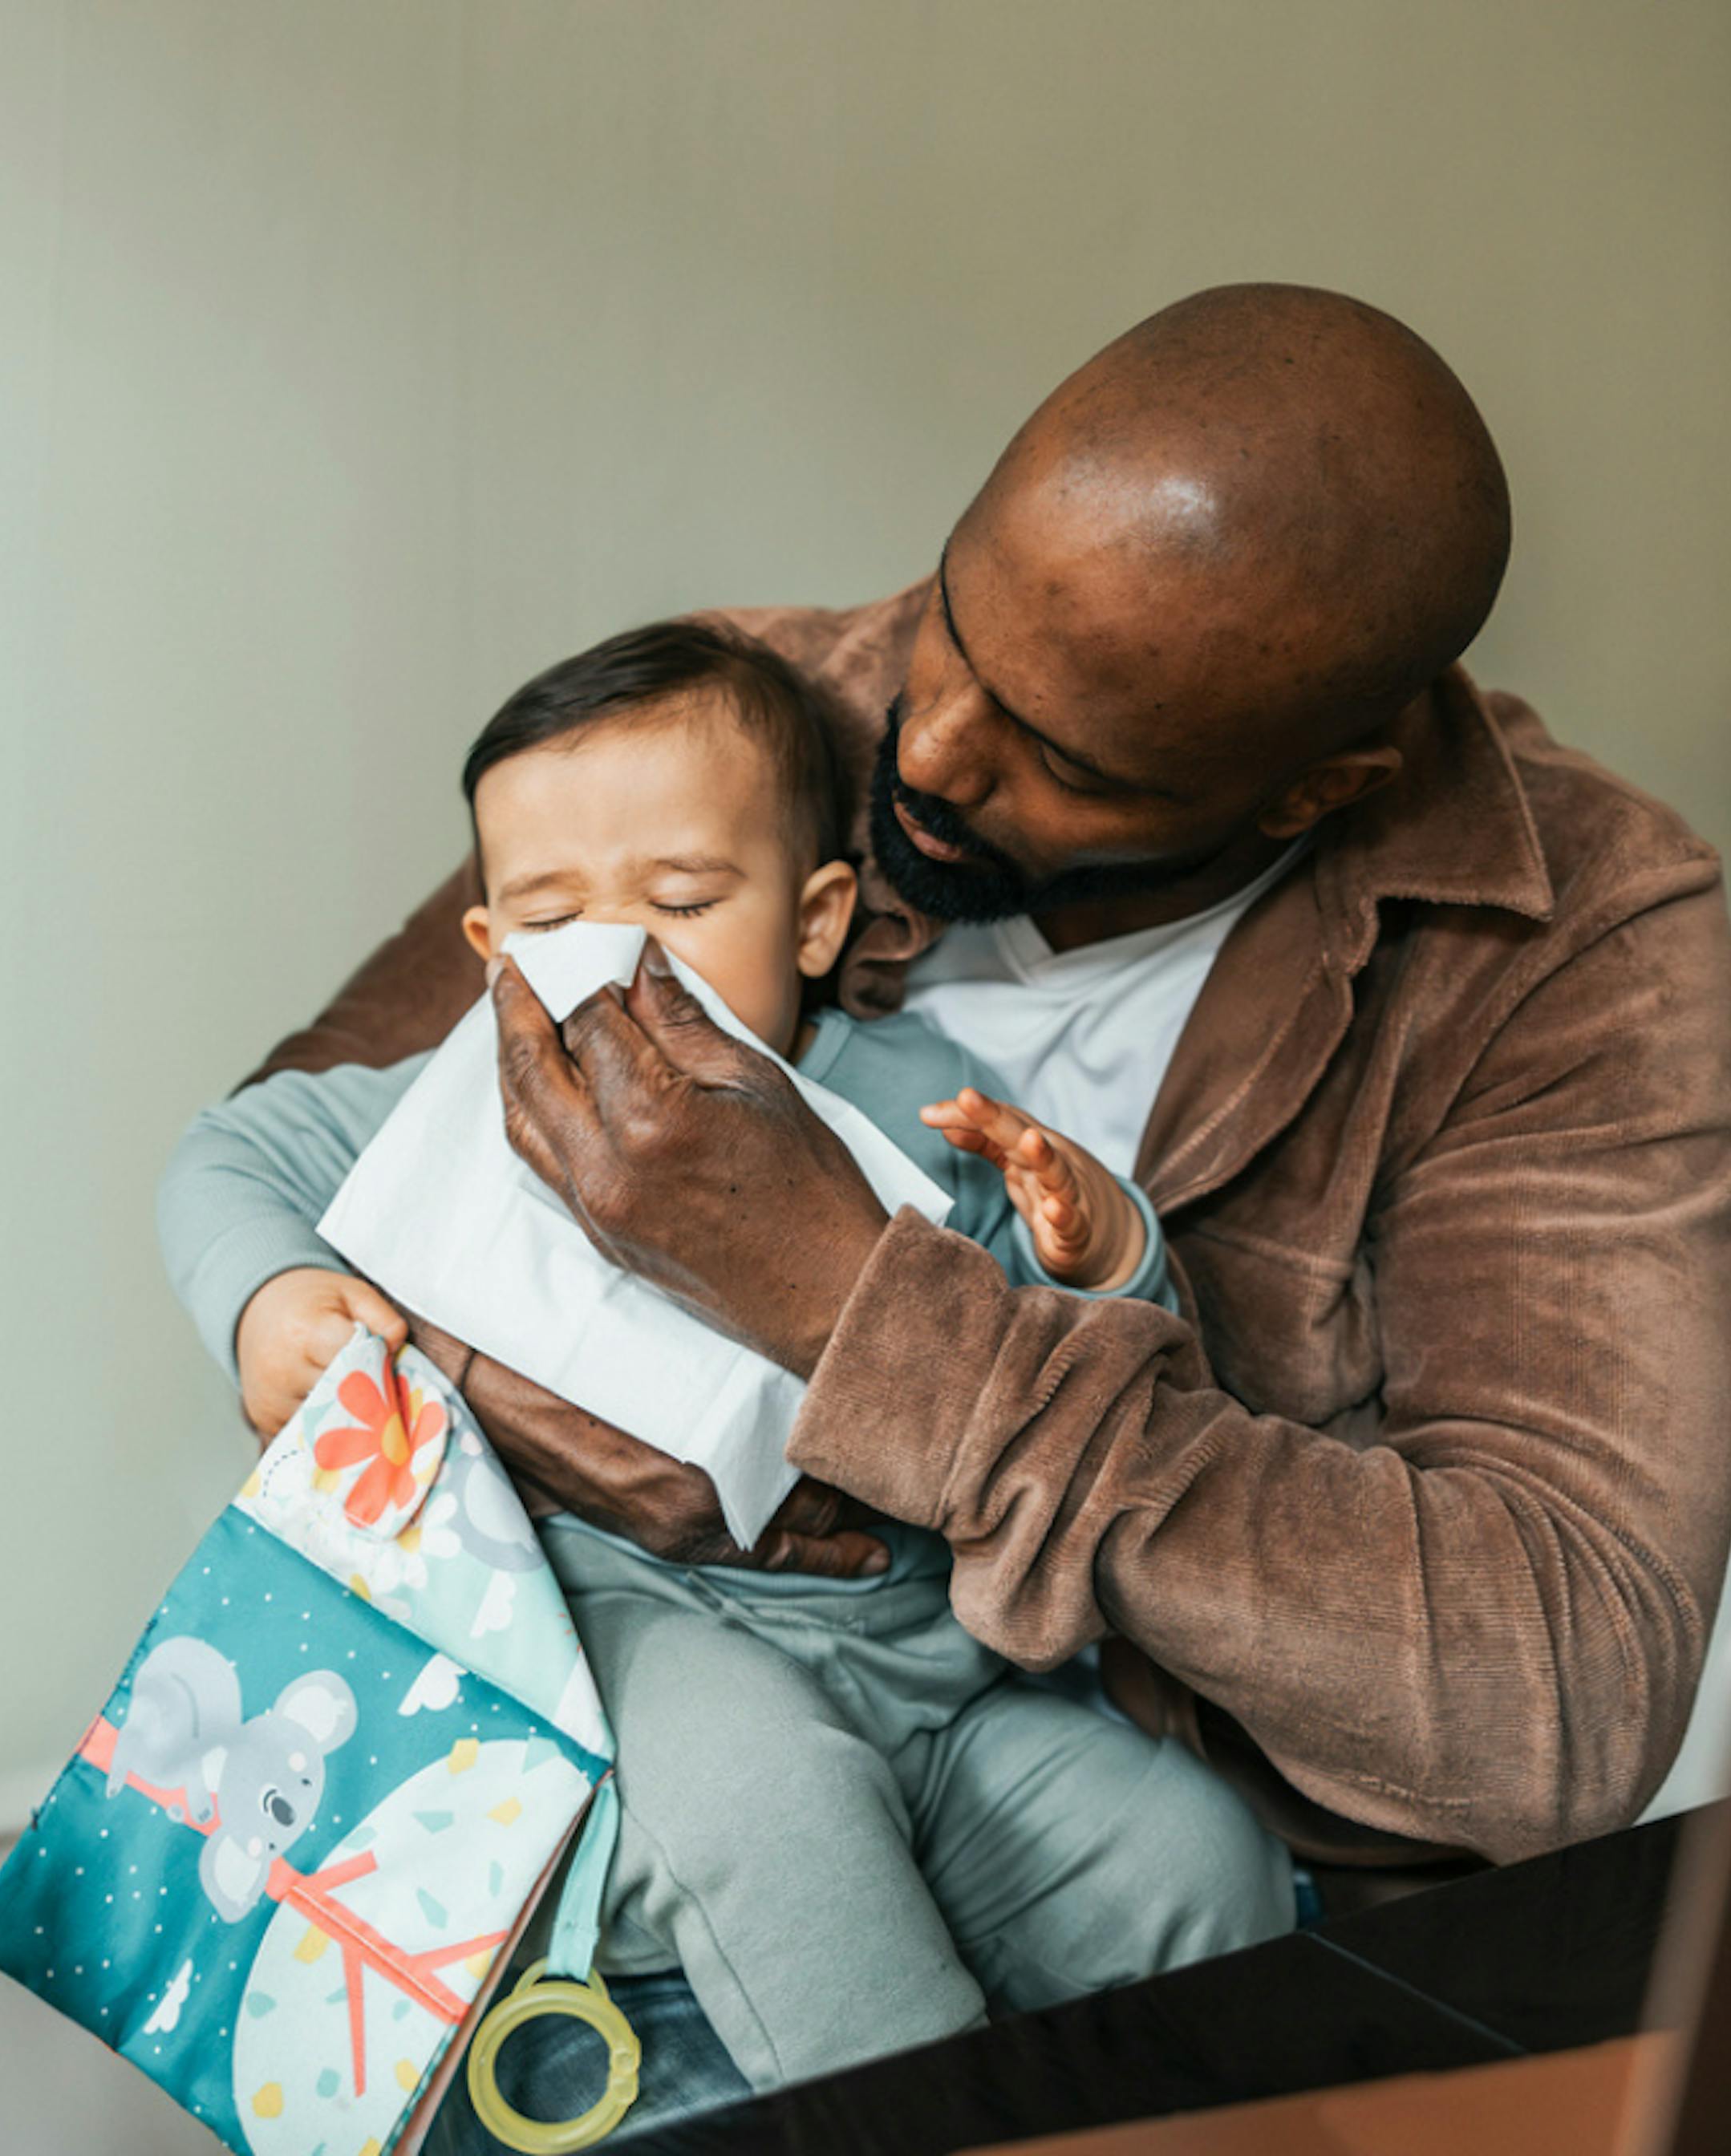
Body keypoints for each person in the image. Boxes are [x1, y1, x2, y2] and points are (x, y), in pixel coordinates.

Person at [244, 283, 1731, 2126]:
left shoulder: (1569, 939)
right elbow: (323, 1181)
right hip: (653, 1836)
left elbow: (1558, 1701)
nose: (933, 748)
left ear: (1321, 784)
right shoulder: (739, 723)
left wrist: (848, 1308)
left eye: (1076, 758)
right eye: (954, 619)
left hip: (1171, 1896)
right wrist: (568, 1422)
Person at [158, 621, 1296, 2100]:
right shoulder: (464, 1095)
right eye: (553, 918)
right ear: (491, 953)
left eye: (684, 901)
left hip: (940, 1684)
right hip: (639, 1651)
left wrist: (1107, 1252)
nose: (617, 956)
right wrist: (273, 1299)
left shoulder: (923, 1102)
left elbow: (1093, 1373)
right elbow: (229, 1150)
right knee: (771, 1804)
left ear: (815, 922)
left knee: (1190, 1855)